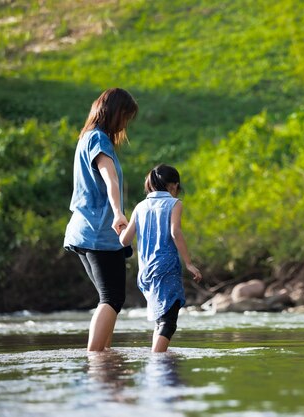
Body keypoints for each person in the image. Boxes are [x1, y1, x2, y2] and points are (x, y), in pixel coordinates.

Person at [64, 87, 138, 351]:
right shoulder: (99, 140)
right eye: (125, 117)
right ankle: (95, 355)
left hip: (83, 231)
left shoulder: (86, 138)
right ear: (114, 113)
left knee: (109, 298)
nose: (125, 124)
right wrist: (118, 213)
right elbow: (111, 179)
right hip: (98, 232)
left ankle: (104, 355)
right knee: (112, 298)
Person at [119, 164, 202, 352]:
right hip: (166, 267)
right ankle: (157, 358)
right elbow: (175, 231)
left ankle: (157, 365)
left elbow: (124, 240)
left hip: (146, 272)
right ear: (174, 186)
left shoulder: (140, 206)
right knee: (169, 322)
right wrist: (188, 263)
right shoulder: (174, 203)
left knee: (160, 320)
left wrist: (120, 226)